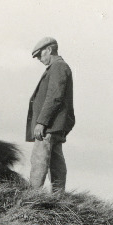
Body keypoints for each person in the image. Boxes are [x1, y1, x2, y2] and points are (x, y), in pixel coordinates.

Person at [26, 36, 75, 192]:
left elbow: (55, 96)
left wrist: (41, 122)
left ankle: (32, 197)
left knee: (39, 160)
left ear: (49, 49)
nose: (39, 59)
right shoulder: (60, 67)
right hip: (55, 126)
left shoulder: (58, 67)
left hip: (48, 126)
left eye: (40, 54)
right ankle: (58, 196)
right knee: (56, 162)